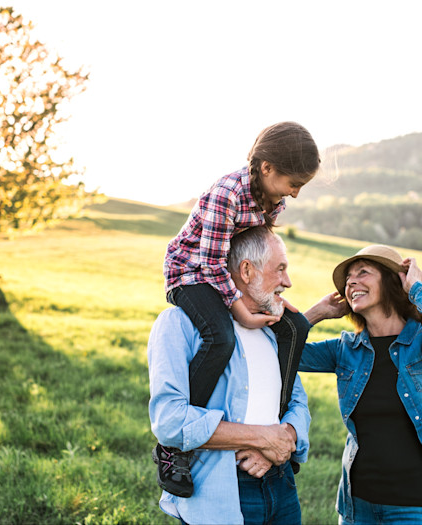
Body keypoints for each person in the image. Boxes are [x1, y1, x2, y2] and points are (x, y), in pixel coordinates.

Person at [155, 121, 320, 498]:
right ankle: (175, 449)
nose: (295, 193)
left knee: (293, 327)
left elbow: (256, 247)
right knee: (220, 336)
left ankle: (277, 428)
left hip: (226, 276)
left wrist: (269, 293)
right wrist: (241, 310)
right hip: (192, 275)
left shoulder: (273, 199)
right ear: (267, 168)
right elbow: (213, 263)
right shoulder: (227, 194)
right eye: (294, 183)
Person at [300, 244, 422, 525]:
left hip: (418, 506)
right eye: (348, 278)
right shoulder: (346, 349)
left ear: (393, 282)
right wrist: (317, 313)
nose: (351, 282)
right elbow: (279, 352)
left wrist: (415, 288)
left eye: (363, 272)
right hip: (359, 507)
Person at [148, 226, 311, 525]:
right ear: (247, 271)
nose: (287, 282)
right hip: (222, 489)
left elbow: (298, 403)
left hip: (281, 484)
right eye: (280, 269)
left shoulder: (273, 331)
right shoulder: (179, 324)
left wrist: (283, 438)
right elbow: (170, 420)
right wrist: (264, 438)